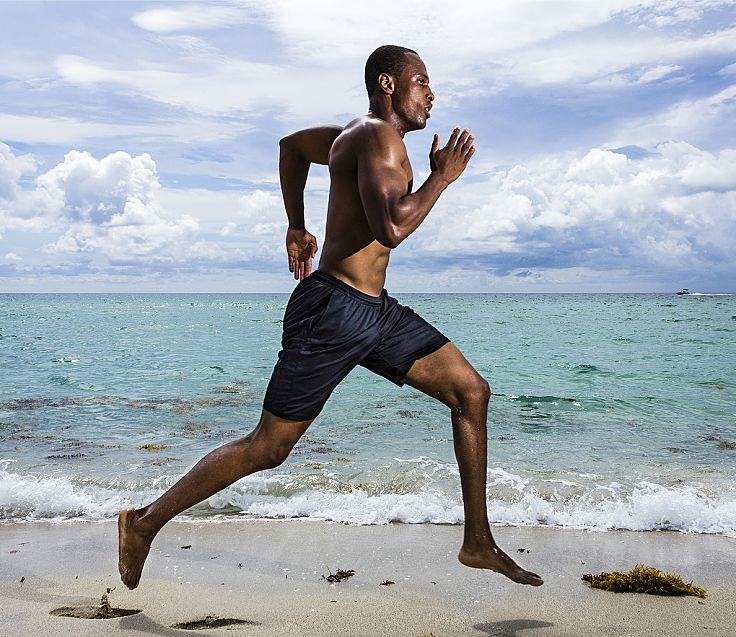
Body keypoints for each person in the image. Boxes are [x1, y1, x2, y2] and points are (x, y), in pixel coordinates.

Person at [118, 44, 543, 590]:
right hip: (333, 310)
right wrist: (443, 177)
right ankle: (144, 523)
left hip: (375, 310)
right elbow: (392, 226)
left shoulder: (351, 134)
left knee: (470, 392)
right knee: (268, 447)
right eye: (421, 82)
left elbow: (291, 149)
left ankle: (478, 541)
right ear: (388, 84)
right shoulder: (376, 137)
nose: (431, 94)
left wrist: (295, 223)